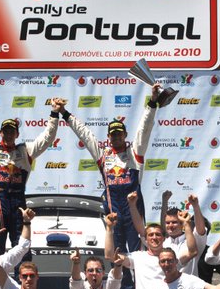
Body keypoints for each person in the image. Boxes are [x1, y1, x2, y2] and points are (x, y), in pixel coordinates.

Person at [63, 83, 162, 255]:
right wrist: (64, 113)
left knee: (139, 253)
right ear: (108, 137)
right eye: (113, 134)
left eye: (119, 133)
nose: (116, 137)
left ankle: (139, 282)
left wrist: (152, 102)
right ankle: (123, 283)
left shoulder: (134, 153)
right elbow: (85, 134)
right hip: (114, 210)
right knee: (117, 254)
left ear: (125, 135)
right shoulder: (103, 155)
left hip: (134, 210)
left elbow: (144, 129)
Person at [0, 98, 65, 251]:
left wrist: (54, 113)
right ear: (0, 132)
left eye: (12, 131)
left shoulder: (25, 150)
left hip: (18, 199)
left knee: (20, 244)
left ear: (17, 134)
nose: (9, 134)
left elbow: (48, 138)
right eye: (6, 131)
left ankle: (21, 274)